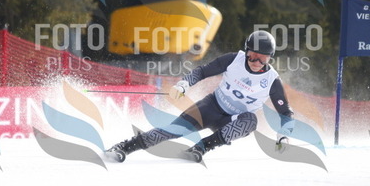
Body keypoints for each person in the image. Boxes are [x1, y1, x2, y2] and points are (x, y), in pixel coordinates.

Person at [106, 30, 295, 163]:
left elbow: (286, 112)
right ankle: (124, 147)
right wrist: (183, 84)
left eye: (263, 58)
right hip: (210, 107)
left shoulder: (271, 80)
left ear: (270, 58)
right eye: (253, 55)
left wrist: (284, 135)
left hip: (231, 121)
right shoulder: (233, 60)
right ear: (246, 51)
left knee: (250, 120)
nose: (256, 61)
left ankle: (201, 147)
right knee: (173, 130)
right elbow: (202, 71)